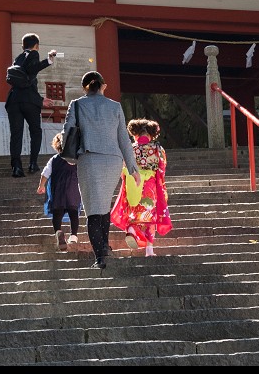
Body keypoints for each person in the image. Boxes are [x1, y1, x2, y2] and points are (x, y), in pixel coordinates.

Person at [64, 70, 141, 269]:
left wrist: (70, 157)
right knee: (103, 206)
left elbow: (68, 132)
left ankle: (100, 257)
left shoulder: (77, 104)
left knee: (92, 210)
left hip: (90, 158)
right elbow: (123, 138)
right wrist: (133, 168)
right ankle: (104, 247)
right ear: (103, 85)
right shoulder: (115, 106)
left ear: (85, 87)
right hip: (113, 160)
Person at [110, 118, 173, 257]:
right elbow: (161, 169)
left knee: (133, 212)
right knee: (150, 217)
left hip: (133, 183)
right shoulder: (157, 149)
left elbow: (123, 169)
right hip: (150, 187)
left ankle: (132, 230)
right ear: (150, 134)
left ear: (136, 134)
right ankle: (149, 249)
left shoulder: (131, 149)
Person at [5, 32, 57, 178]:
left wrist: (40, 100)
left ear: (22, 46)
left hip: (14, 101)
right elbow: (32, 70)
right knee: (35, 131)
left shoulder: (18, 59)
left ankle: (16, 167)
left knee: (16, 134)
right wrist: (49, 60)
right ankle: (33, 163)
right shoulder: (33, 54)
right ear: (36, 46)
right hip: (29, 102)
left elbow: (24, 79)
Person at [36, 131, 81, 251]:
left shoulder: (54, 159)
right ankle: (73, 235)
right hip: (73, 191)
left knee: (57, 213)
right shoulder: (77, 159)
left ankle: (58, 231)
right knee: (73, 213)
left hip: (58, 192)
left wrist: (41, 186)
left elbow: (45, 173)